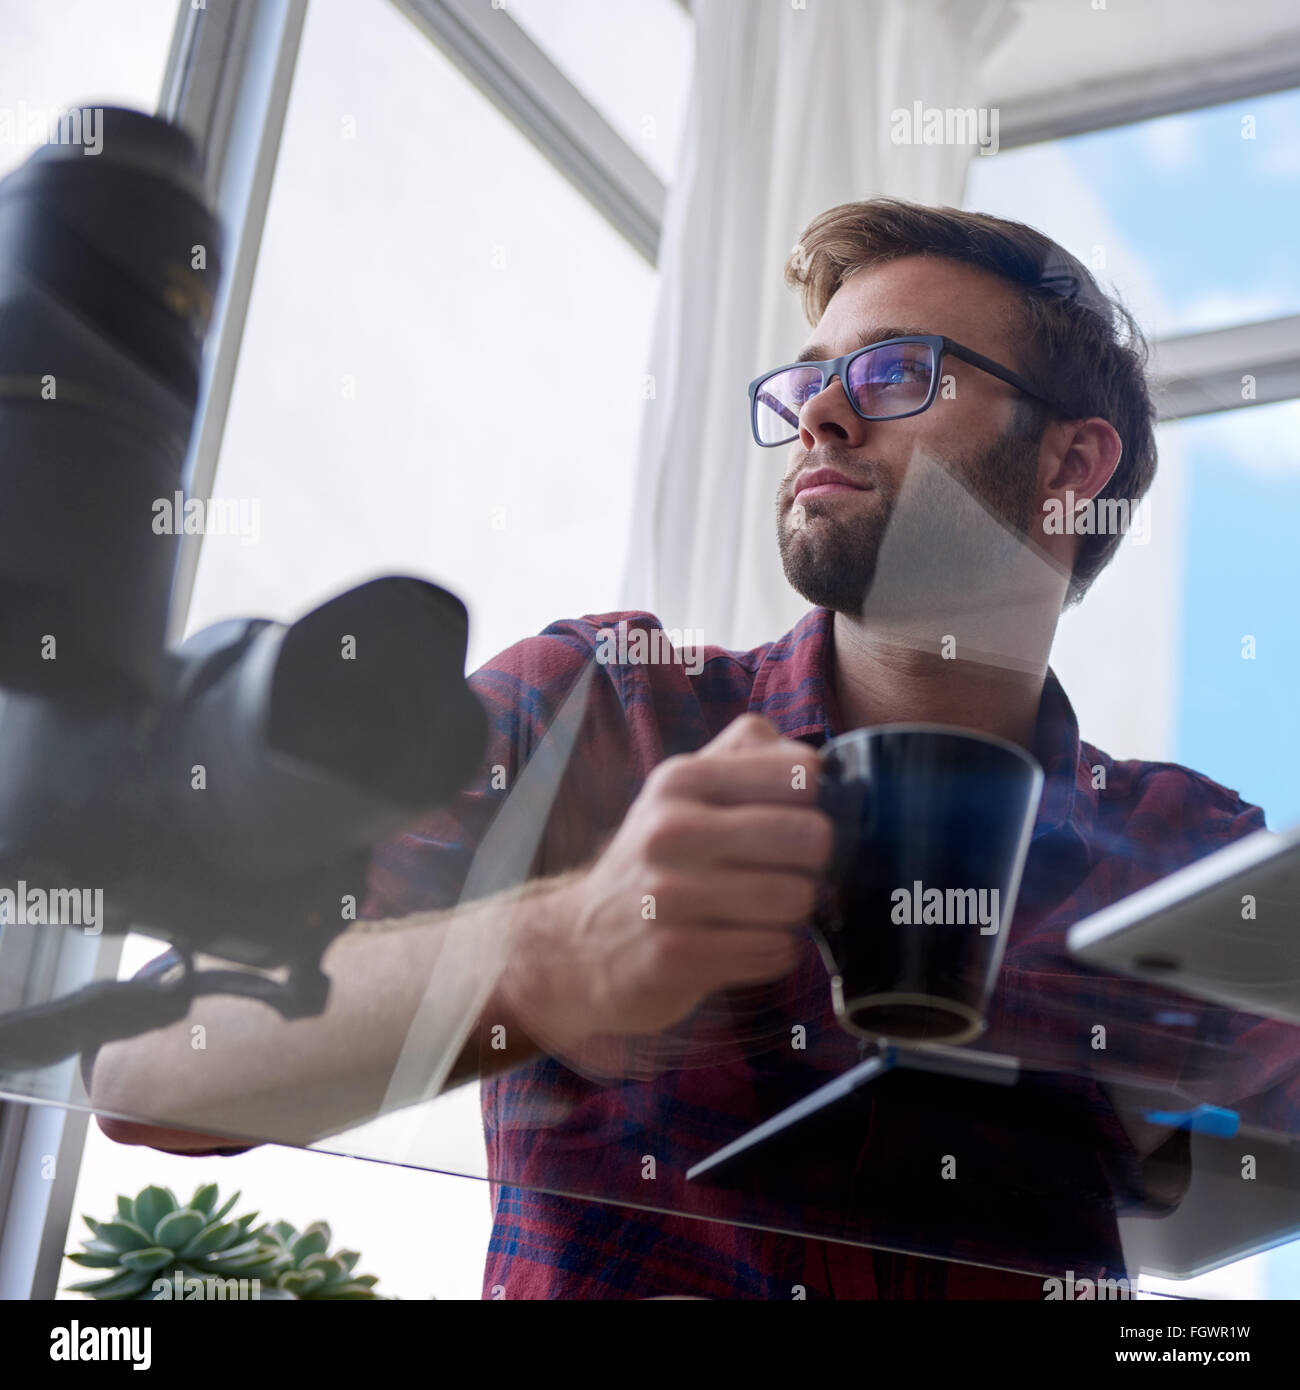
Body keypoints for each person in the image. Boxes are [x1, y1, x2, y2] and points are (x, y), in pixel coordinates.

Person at [90, 199, 1300, 1299]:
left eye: (893, 373)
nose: (820, 413)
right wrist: (549, 951)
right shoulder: (601, 709)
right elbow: (143, 1069)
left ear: (1070, 466)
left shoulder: (1176, 847)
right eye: (808, 383)